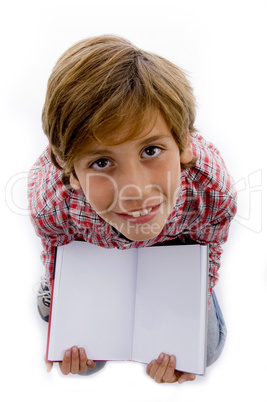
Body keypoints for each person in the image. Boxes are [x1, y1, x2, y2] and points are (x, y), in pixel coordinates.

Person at [28, 35, 237, 383]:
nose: (135, 192)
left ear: (184, 144)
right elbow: (55, 249)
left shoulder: (212, 191)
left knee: (203, 351)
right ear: (70, 170)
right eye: (101, 161)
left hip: (170, 243)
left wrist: (192, 307)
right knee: (86, 356)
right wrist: (62, 295)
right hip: (94, 243)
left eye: (151, 151)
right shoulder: (52, 203)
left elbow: (208, 251)